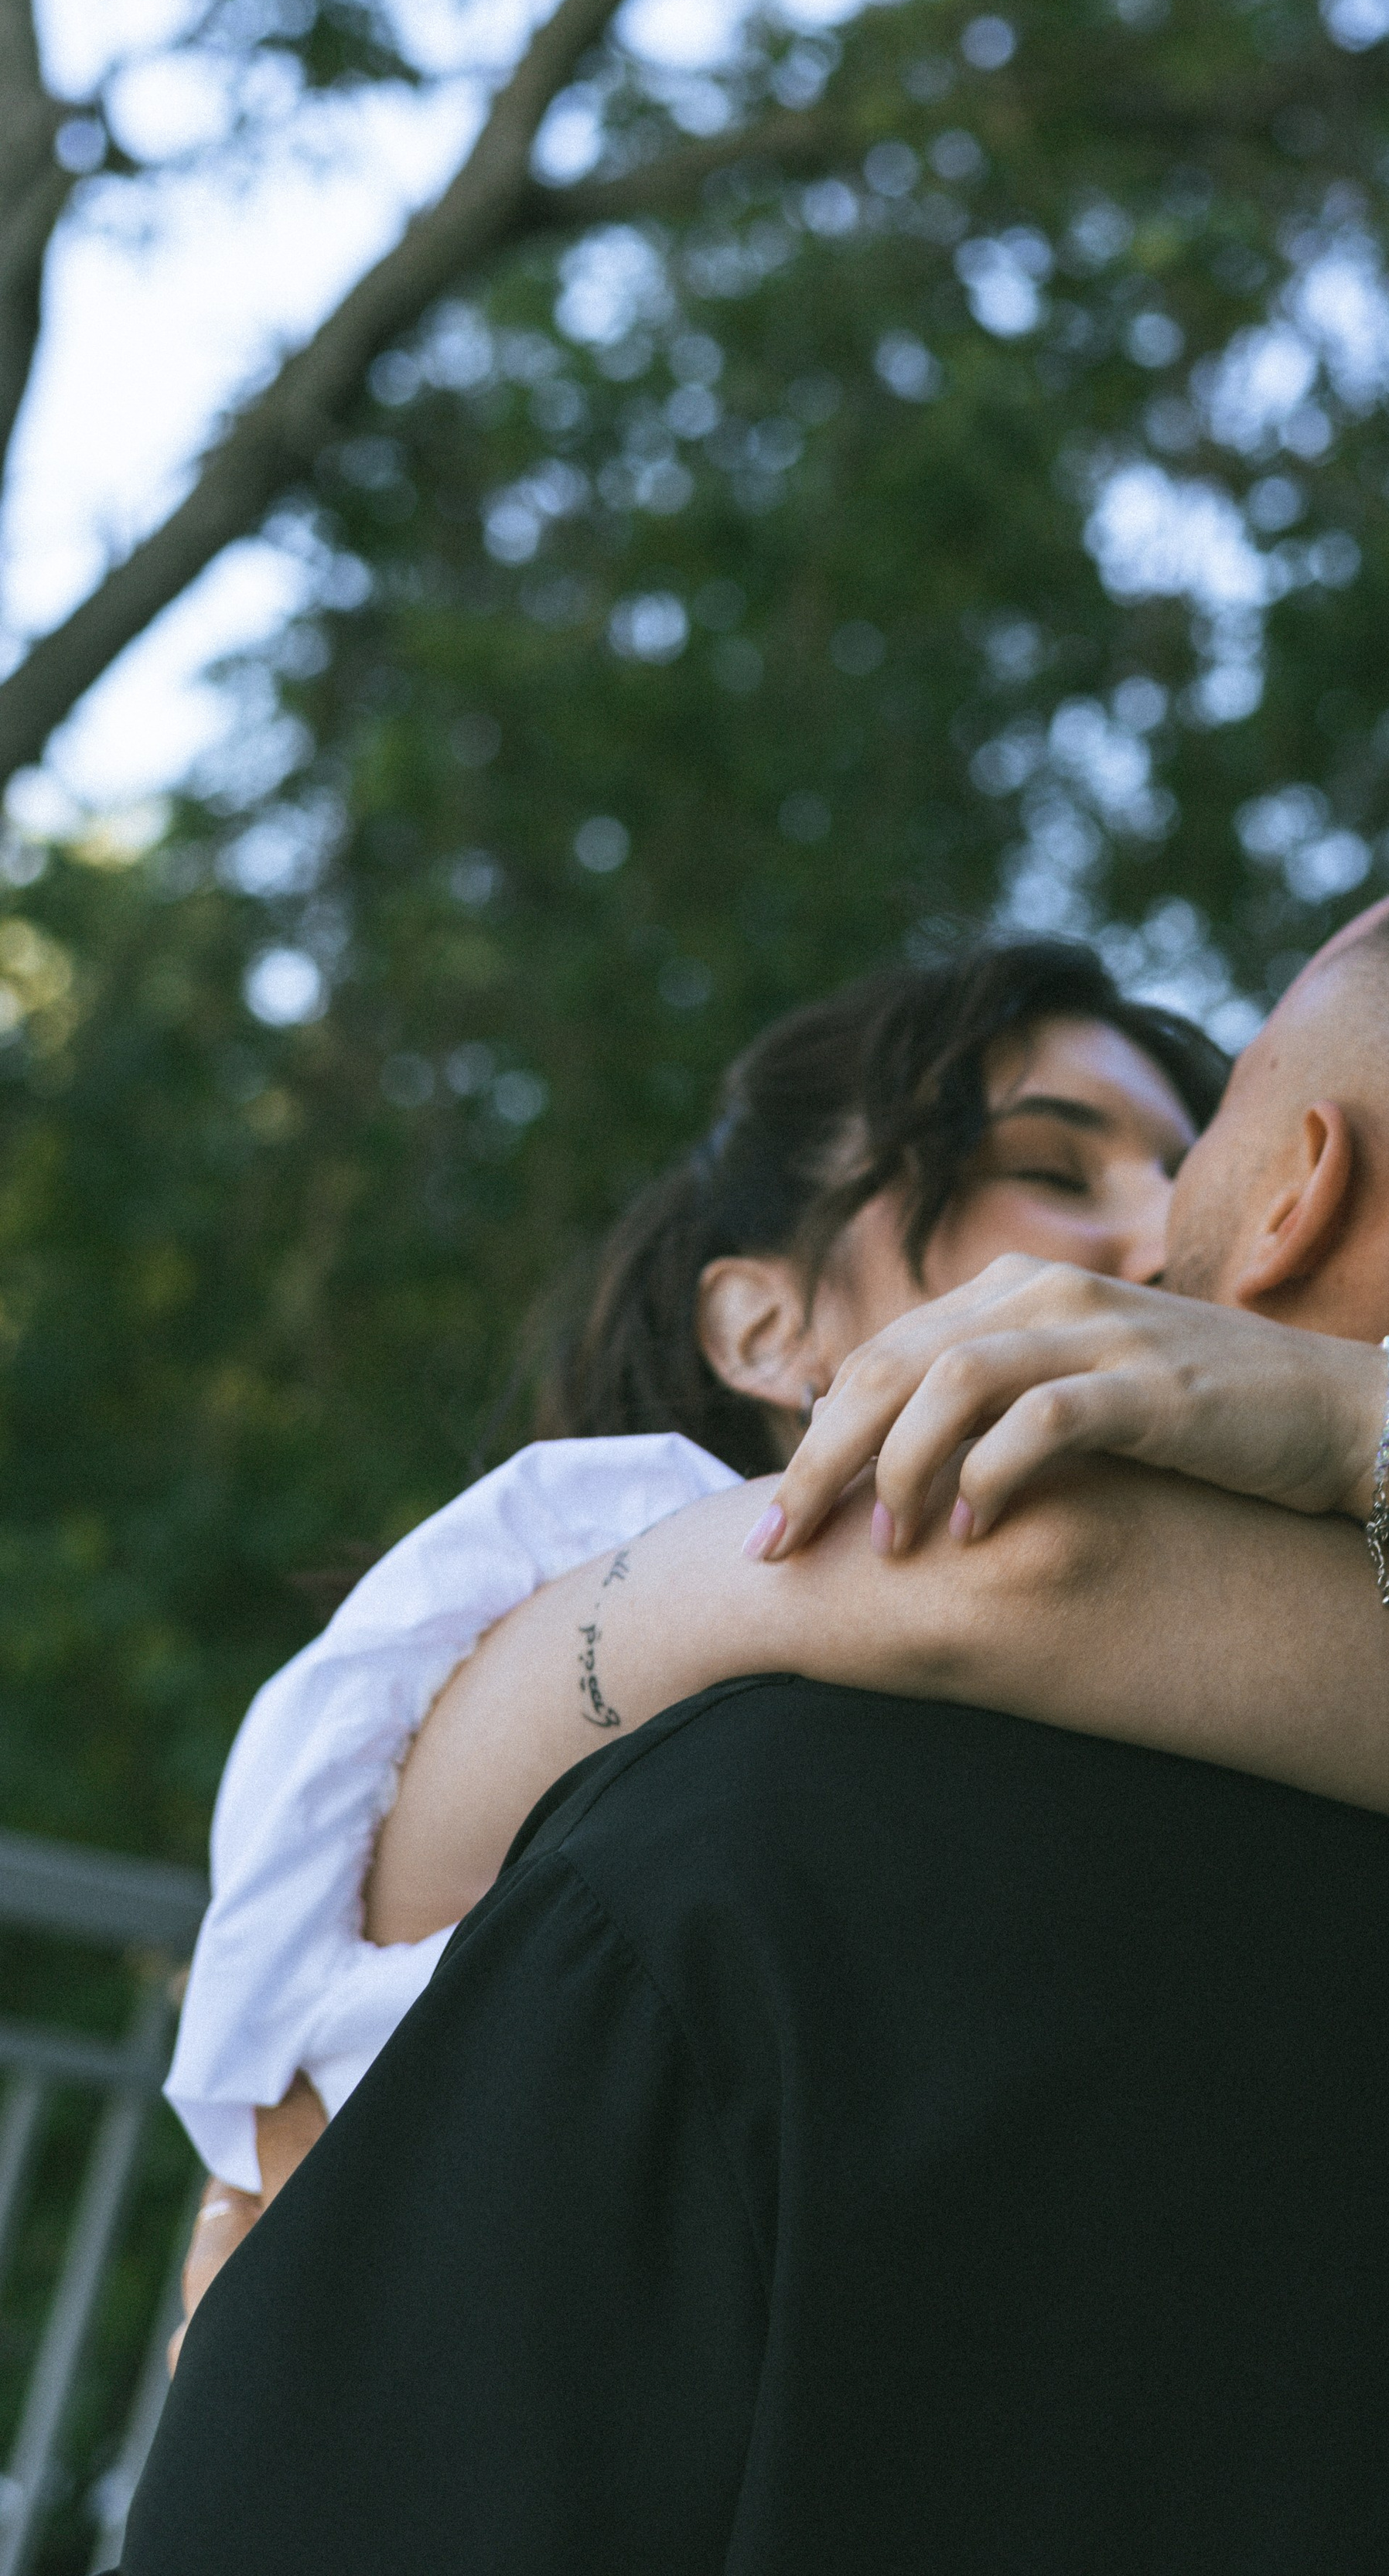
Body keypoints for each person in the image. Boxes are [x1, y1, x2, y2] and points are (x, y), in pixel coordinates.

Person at [122, 812, 1389, 2572]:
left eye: (1197, 1132)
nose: (1125, 1238)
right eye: (1040, 1165)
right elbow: (1015, 1570)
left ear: (1292, 1193)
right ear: (751, 1324)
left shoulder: (722, 1863)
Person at [165, 940, 1227, 2298]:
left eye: (1189, 1175)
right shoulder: (587, 1552)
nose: (1173, 1235)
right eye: (1048, 1170)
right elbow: (281, 2097)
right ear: (767, 1328)